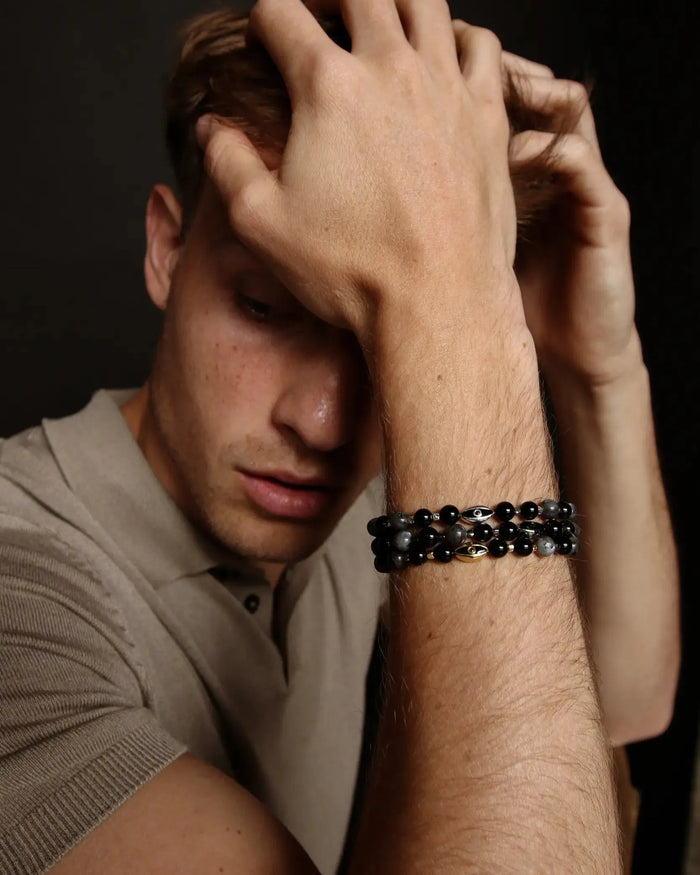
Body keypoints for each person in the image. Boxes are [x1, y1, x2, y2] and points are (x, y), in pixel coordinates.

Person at [0, 1, 680, 872]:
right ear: (168, 250)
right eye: (264, 308)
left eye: (373, 347)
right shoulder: (21, 603)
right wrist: (447, 316)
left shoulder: (357, 520)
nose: (321, 423)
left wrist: (597, 369)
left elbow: (621, 697)